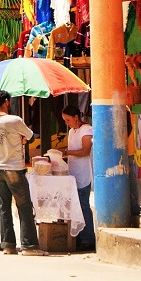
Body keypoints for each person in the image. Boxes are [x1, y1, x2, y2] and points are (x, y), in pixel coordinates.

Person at [0, 90, 44, 256]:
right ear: (6, 101)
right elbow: (31, 136)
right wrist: (23, 139)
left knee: (3, 207)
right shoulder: (15, 120)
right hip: (14, 168)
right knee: (24, 207)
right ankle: (29, 245)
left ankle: (8, 245)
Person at [62, 104, 95, 251]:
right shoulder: (72, 131)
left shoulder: (86, 130)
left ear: (76, 117)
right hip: (72, 172)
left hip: (83, 173)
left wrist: (68, 152)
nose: (67, 123)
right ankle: (78, 236)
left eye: (68, 120)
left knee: (83, 205)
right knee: (75, 206)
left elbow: (85, 150)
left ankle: (88, 238)